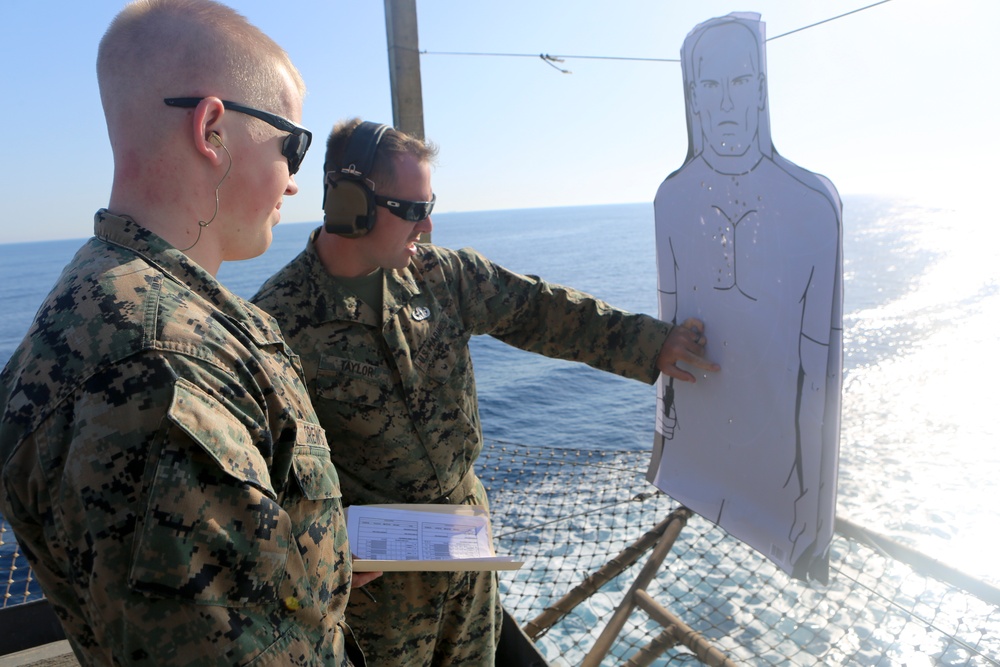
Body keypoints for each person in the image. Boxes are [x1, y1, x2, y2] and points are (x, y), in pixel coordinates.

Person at [251, 117, 720, 665]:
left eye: (430, 206)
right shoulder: (277, 321)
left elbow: (538, 309)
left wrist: (651, 344)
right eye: (411, 210)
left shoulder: (441, 276)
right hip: (377, 592)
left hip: (464, 545)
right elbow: (263, 471)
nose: (425, 226)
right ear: (349, 204)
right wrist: (316, 549)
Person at [0, 1, 371, 664]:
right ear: (213, 130)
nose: (294, 181)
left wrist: (318, 565)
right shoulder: (162, 369)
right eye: (293, 145)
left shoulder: (110, 303)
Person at [648, 12, 843, 581]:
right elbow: (670, 331)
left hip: (778, 474)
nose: (727, 102)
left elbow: (817, 366)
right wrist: (667, 450)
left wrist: (811, 501)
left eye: (740, 83)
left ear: (761, 92)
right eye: (710, 84)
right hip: (697, 462)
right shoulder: (672, 200)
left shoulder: (809, 205)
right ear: (694, 98)